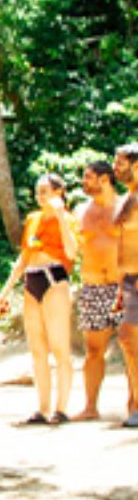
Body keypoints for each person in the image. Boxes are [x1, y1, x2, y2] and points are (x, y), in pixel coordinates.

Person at [0, 174, 79, 425]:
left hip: (55, 278)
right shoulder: (32, 219)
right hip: (32, 279)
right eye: (38, 191)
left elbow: (72, 251)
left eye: (46, 191)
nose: (41, 196)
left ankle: (61, 408)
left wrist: (61, 216)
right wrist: (6, 291)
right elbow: (24, 258)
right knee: (37, 349)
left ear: (58, 192)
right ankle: (42, 408)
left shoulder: (68, 220)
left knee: (60, 347)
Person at [72, 161, 122, 421]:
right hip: (93, 287)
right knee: (93, 351)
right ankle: (90, 406)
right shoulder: (81, 210)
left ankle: (134, 405)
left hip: (123, 285)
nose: (83, 182)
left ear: (105, 179)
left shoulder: (127, 206)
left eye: (88, 177)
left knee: (133, 350)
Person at [113, 143, 138, 428]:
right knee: (130, 342)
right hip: (129, 280)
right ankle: (133, 403)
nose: (116, 167)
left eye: (121, 163)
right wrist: (121, 286)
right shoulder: (128, 198)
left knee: (129, 338)